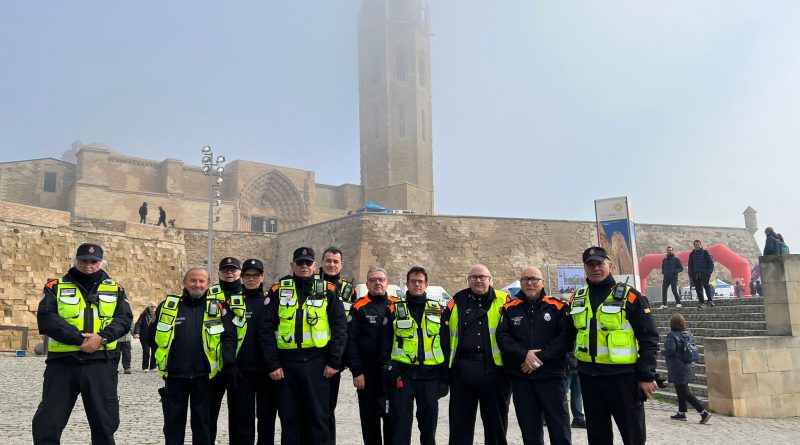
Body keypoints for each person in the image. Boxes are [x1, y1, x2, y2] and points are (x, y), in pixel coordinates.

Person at [32, 242, 134, 445]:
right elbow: (47, 318)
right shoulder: (55, 287)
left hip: (101, 363)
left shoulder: (116, 289)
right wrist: (79, 339)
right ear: (75, 261)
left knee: (104, 426)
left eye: (93, 262)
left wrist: (101, 338)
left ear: (101, 262)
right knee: (48, 424)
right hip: (63, 364)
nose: (88, 266)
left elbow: (124, 319)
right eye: (83, 261)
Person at [567, 247, 660, 445]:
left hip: (623, 378)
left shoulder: (630, 296)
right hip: (589, 378)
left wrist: (646, 375)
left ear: (610, 265)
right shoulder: (577, 298)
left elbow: (649, 337)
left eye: (600, 263)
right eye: (590, 265)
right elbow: (566, 337)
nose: (595, 268)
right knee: (597, 437)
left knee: (633, 435)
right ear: (585, 269)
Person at [259, 247, 347, 445]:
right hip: (287, 365)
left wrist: (334, 361)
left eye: (308, 262)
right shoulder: (278, 290)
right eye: (300, 262)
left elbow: (340, 328)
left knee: (319, 418)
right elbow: (266, 330)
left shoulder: (329, 290)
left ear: (315, 266)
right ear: (292, 265)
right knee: (289, 419)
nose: (304, 266)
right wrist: (273, 364)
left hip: (317, 363)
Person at [147, 267, 237, 445]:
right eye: (193, 280)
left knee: (203, 427)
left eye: (202, 281)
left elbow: (229, 337)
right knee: (173, 427)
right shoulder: (169, 306)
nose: (197, 284)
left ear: (208, 284)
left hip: (204, 378)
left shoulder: (218, 307)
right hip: (175, 377)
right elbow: (151, 337)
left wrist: (229, 363)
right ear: (185, 283)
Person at [496, 267, 572, 445]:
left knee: (559, 429)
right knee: (530, 432)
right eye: (525, 279)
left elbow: (566, 338)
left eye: (534, 279)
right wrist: (524, 355)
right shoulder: (509, 308)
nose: (529, 283)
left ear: (542, 282)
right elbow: (502, 337)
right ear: (521, 283)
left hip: (551, 377)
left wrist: (539, 358)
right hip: (522, 378)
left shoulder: (557, 306)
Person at [441, 264, 511, 445]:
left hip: (495, 370)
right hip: (463, 369)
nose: (478, 280)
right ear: (468, 280)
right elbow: (443, 333)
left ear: (490, 279)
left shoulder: (505, 300)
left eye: (482, 277)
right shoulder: (457, 300)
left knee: (496, 423)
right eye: (474, 277)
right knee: (460, 424)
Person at [387, 266, 448, 445]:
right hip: (403, 375)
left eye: (420, 281)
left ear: (426, 284)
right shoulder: (394, 309)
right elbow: (386, 341)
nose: (416, 284)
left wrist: (445, 378)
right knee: (401, 425)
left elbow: (445, 343)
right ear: (407, 284)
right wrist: (389, 368)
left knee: (429, 427)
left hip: (431, 376)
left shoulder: (438, 309)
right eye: (413, 281)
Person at [347, 267, 398, 445]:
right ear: (367, 284)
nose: (377, 283)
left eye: (381, 279)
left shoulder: (398, 305)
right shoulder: (358, 307)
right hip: (367, 373)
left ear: (387, 282)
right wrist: (357, 372)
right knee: (369, 421)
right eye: (373, 280)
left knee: (392, 420)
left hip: (392, 373)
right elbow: (351, 342)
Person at [231, 258, 279, 445]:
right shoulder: (234, 302)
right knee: (244, 419)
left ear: (262, 277)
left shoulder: (271, 302)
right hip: (243, 369)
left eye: (256, 275)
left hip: (267, 370)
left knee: (267, 417)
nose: (251, 279)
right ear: (242, 277)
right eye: (248, 275)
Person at [318, 246, 358, 444]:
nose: (332, 265)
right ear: (321, 263)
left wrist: (341, 359)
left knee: (327, 409)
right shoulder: (312, 285)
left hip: (335, 358)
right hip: (313, 355)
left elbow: (349, 327)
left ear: (342, 265)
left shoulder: (349, 290)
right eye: (328, 261)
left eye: (336, 261)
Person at [210, 257, 245, 445]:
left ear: (240, 272)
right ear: (219, 273)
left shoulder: (248, 294)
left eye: (233, 270)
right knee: (209, 416)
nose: (229, 273)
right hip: (214, 365)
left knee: (239, 417)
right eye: (225, 270)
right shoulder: (210, 294)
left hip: (238, 366)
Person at [664, 313, 711, 424]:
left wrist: (662, 351)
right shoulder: (688, 334)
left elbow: (671, 350)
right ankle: (681, 412)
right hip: (688, 365)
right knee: (680, 388)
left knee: (684, 391)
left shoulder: (671, 335)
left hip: (677, 366)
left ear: (672, 323)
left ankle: (703, 412)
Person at [688, 240, 715, 308]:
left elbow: (710, 263)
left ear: (700, 245)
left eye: (698, 245)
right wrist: (691, 274)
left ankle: (710, 301)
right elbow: (690, 265)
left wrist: (709, 272)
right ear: (694, 246)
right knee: (698, 288)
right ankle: (702, 302)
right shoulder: (692, 254)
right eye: (696, 245)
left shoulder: (705, 252)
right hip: (695, 273)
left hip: (704, 273)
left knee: (706, 286)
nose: (697, 246)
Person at [133, 301, 158, 371]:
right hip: (145, 336)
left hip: (154, 336)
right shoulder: (144, 315)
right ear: (148, 307)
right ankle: (145, 367)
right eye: (151, 307)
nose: (153, 308)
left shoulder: (158, 315)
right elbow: (138, 324)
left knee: (154, 351)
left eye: (155, 307)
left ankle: (153, 367)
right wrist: (136, 333)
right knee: (146, 351)